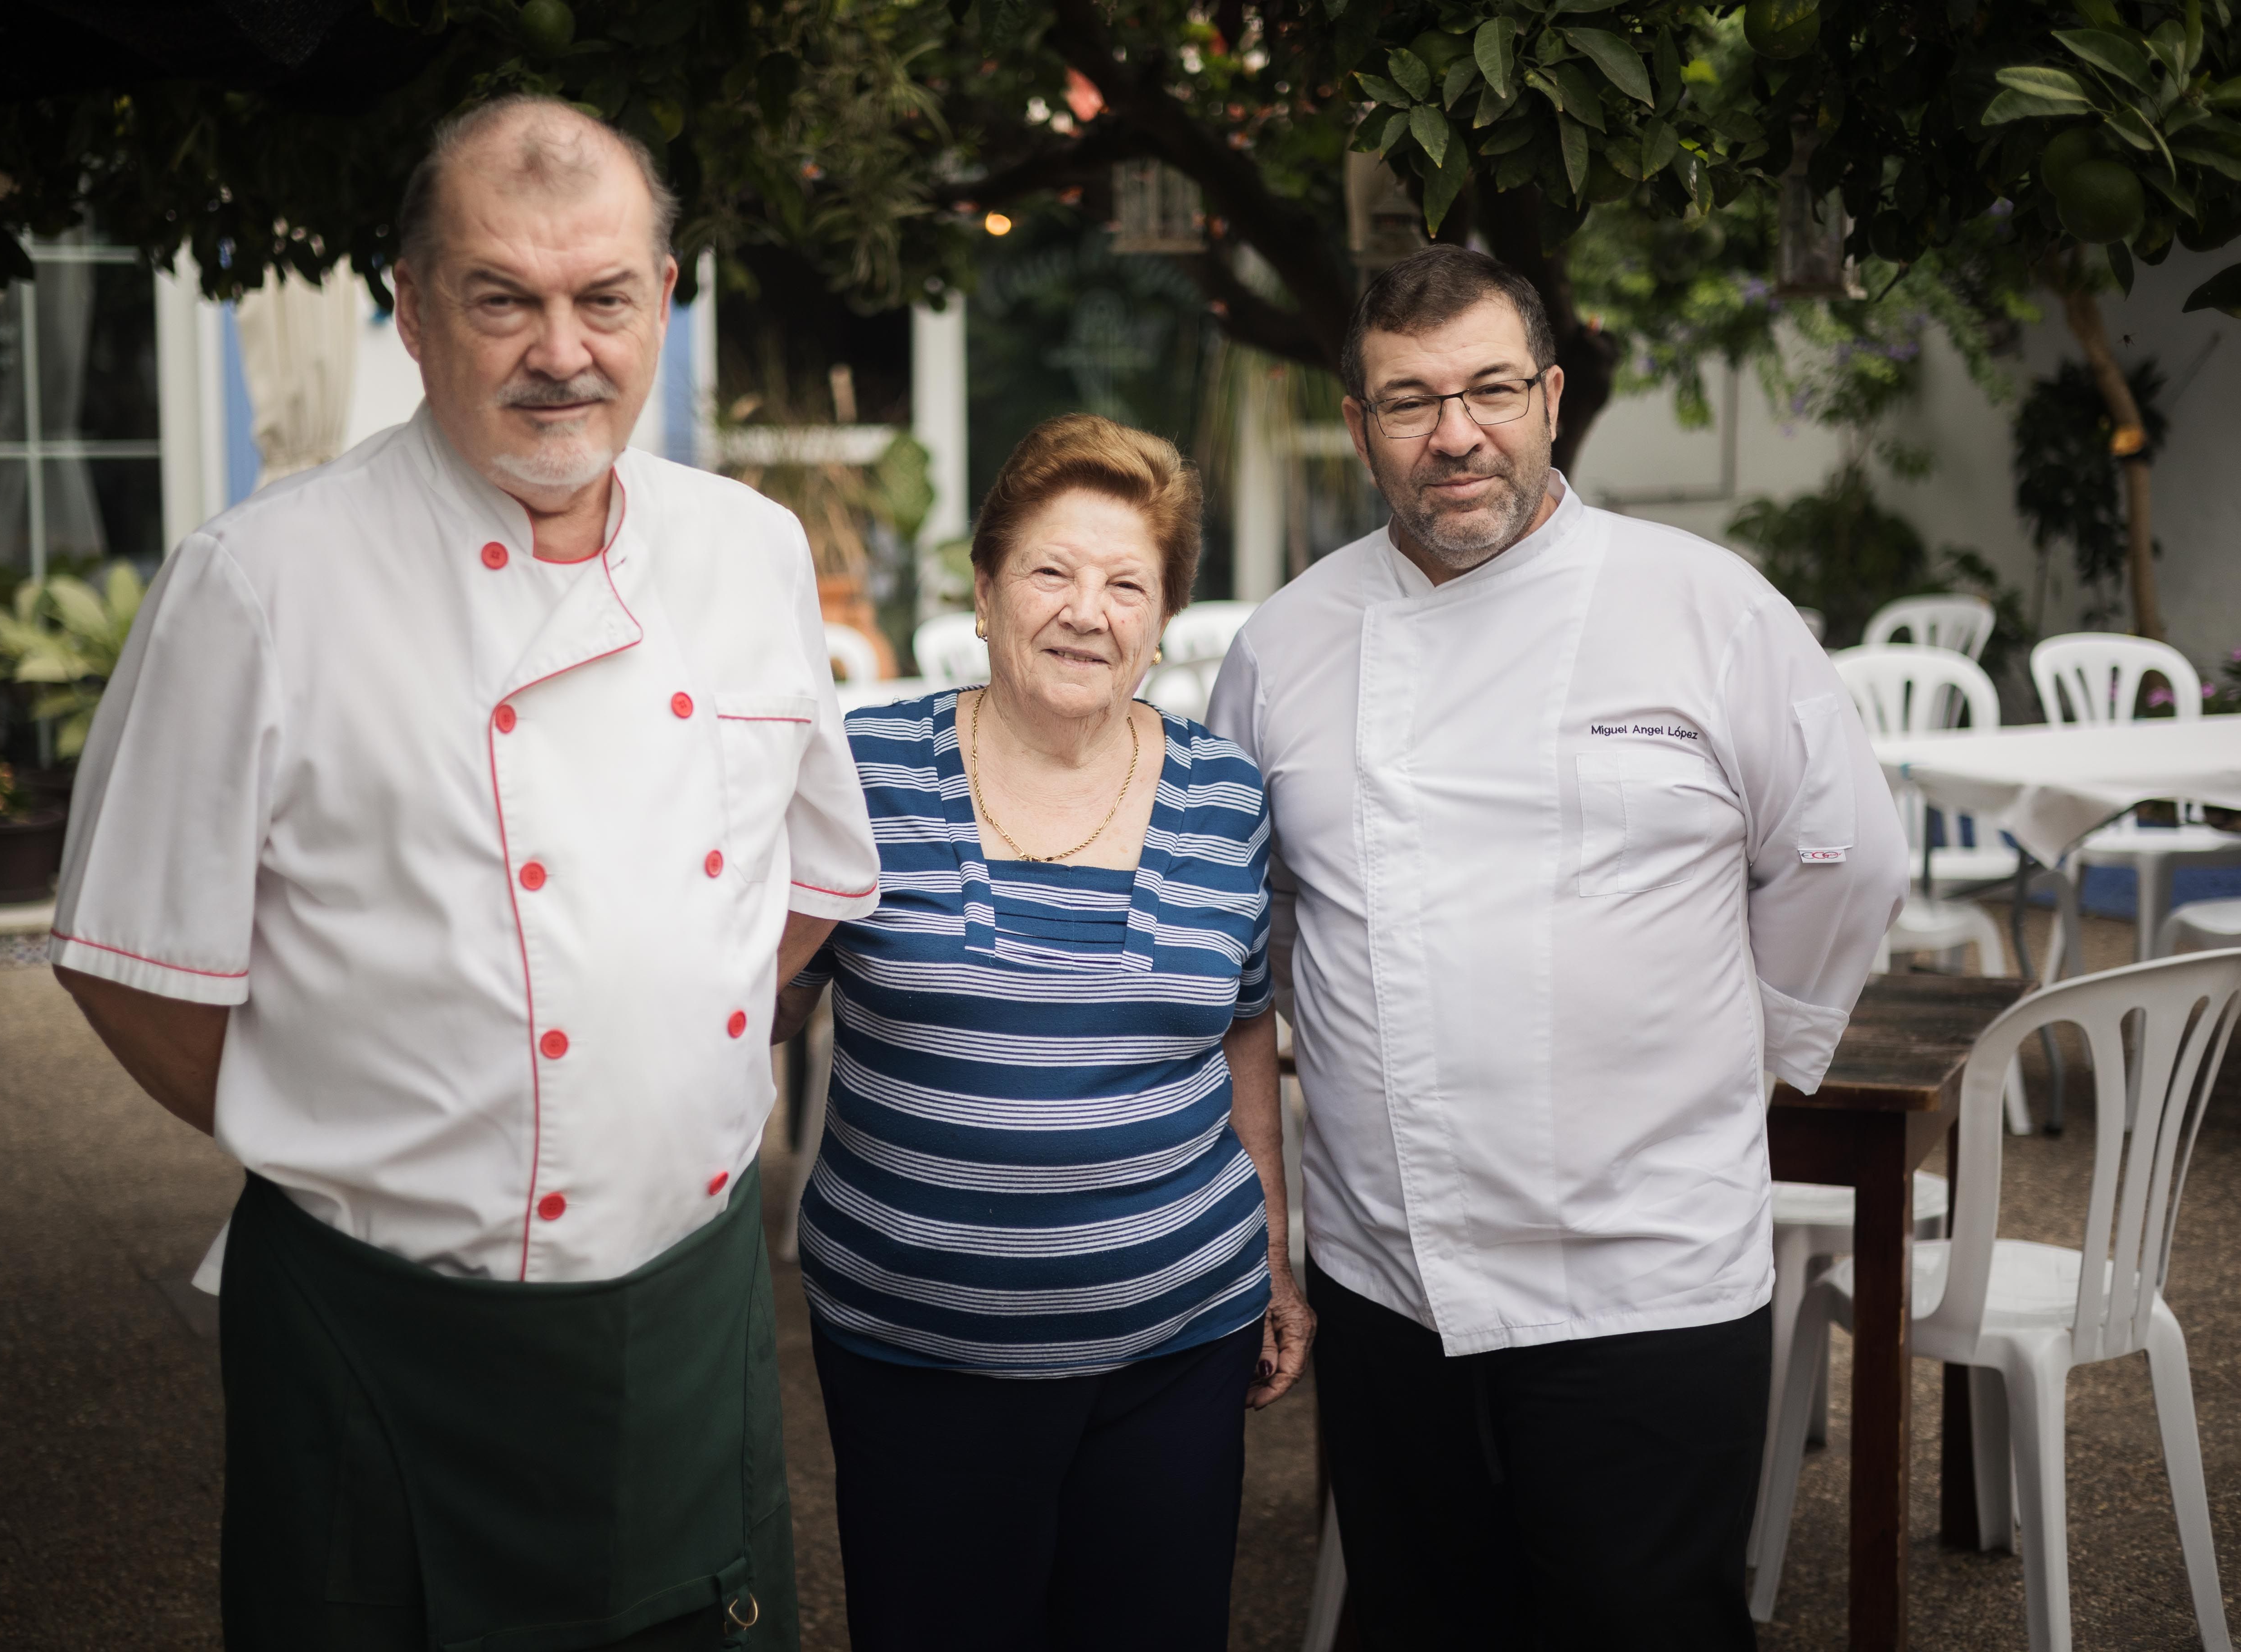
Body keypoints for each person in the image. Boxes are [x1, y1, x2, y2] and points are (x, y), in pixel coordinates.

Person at [49, 96, 877, 1652]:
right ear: (413, 308)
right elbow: (129, 968)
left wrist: (651, 1056)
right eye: (505, 298)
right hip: (382, 1329)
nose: (561, 351)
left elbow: (803, 885)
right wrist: (380, 1128)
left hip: (693, 1309)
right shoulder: (259, 583)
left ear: (665, 302)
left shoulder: (747, 550)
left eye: (603, 298)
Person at [1205, 247, 1907, 1649]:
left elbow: (1843, 862)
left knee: (1646, 1623)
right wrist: (1270, 1240)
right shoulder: (1283, 649)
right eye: (1410, 402)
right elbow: (1251, 950)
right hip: (1394, 1277)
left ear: (1552, 399)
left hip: (1646, 1265)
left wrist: (1729, 1063)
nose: (1454, 434)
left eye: (1489, 390)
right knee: (1422, 1619)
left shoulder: (1704, 608)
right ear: (1358, 426)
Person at [774, 413, 1313, 1652]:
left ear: (1163, 619)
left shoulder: (1225, 794)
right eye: (1052, 572)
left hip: (1180, 1342)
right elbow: (767, 1005)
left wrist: (1275, 1260)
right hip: (915, 1355)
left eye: (1128, 583)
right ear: (985, 590)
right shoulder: (867, 772)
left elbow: (1242, 1032)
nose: (1087, 610)